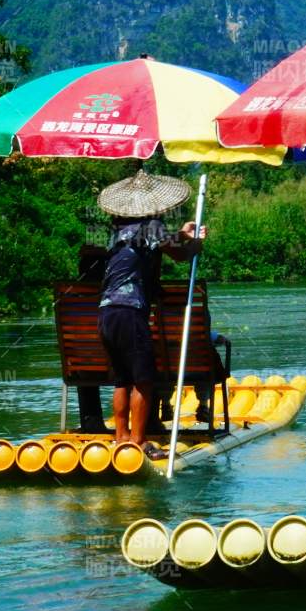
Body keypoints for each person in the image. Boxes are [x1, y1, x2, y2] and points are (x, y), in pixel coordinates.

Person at [96, 170, 203, 459]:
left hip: (106, 312)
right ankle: (138, 441)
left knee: (121, 380)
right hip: (130, 312)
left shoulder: (118, 231)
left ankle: (121, 439)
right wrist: (197, 241)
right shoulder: (151, 226)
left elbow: (161, 244)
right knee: (142, 380)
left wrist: (182, 234)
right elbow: (181, 253)